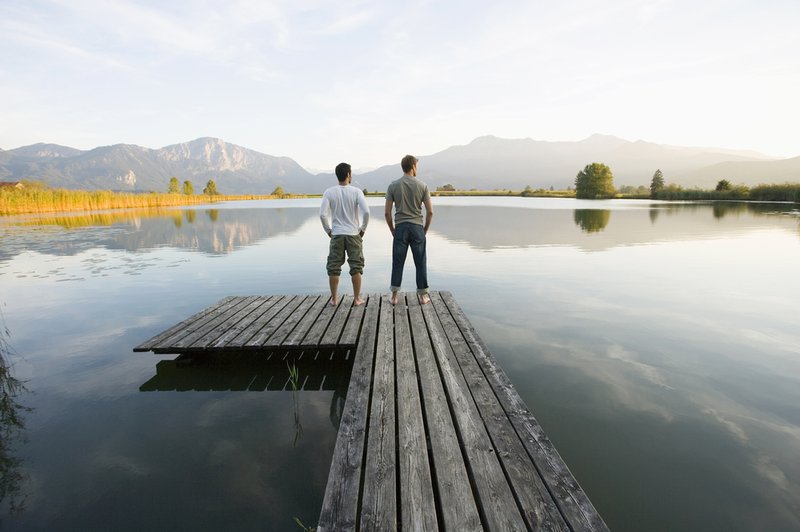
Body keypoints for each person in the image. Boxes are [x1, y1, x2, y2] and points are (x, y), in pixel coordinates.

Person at [384, 154, 433, 305]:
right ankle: (423, 296)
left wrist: (392, 229)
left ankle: (394, 296)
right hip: (417, 227)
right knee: (420, 262)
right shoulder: (422, 186)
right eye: (416, 165)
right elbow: (430, 212)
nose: (417, 168)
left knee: (398, 262)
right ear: (412, 166)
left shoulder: (393, 185)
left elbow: (387, 212)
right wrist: (424, 229)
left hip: (400, 228)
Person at [320, 162, 370, 306]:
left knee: (334, 267)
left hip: (336, 234)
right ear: (348, 174)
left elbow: (323, 215)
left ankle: (334, 299)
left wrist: (328, 231)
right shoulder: (356, 192)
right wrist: (363, 229)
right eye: (351, 173)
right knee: (356, 266)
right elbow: (366, 212)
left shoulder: (329, 192)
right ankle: (357, 299)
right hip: (354, 234)